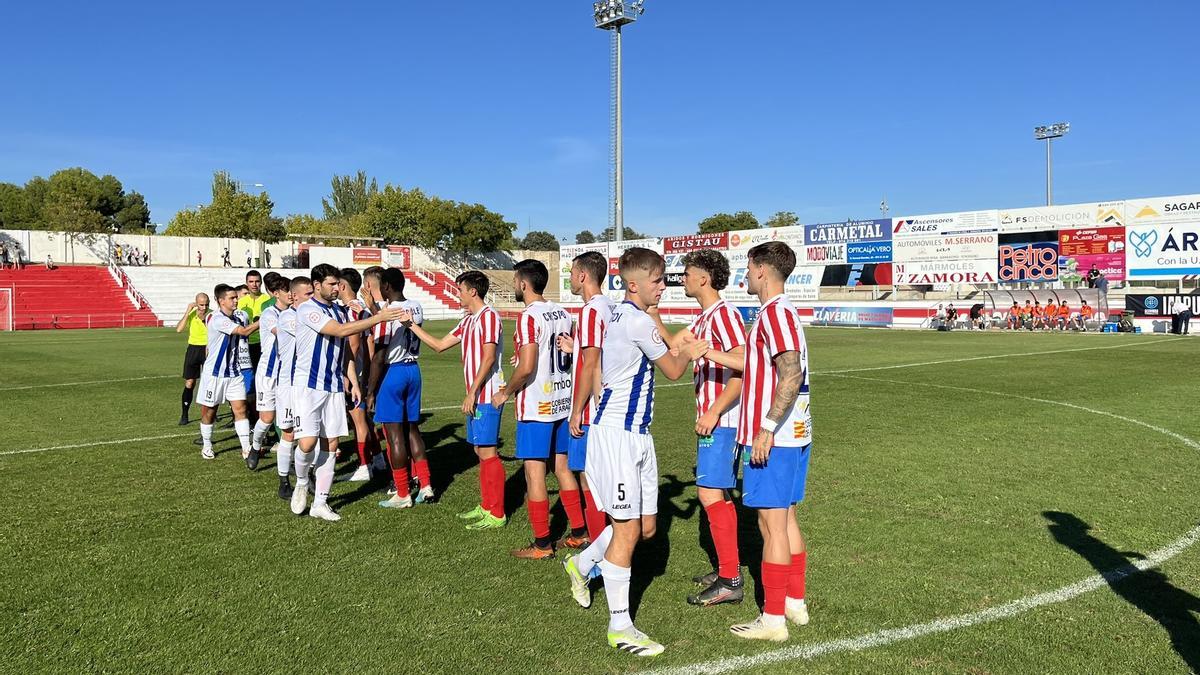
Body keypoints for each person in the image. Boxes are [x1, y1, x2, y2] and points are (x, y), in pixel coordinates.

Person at [560, 247, 698, 657]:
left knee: (648, 529)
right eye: (658, 281)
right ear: (633, 284)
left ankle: (582, 564)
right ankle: (620, 626)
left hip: (638, 435)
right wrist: (689, 347)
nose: (664, 287)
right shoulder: (635, 320)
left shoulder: (624, 315)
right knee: (628, 531)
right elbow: (673, 369)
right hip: (618, 436)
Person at [691, 241, 813, 641]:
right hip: (793, 434)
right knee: (787, 519)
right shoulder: (778, 313)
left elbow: (790, 374)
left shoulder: (775, 313)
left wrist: (766, 427)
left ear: (762, 269)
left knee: (771, 525)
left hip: (776, 438)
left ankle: (773, 619)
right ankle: (795, 603)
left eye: (748, 266)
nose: (744, 274)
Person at [648, 248, 747, 607]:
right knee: (714, 494)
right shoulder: (704, 317)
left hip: (723, 420)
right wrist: (653, 316)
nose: (682, 279)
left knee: (709, 495)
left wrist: (715, 411)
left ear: (703, 278)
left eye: (687, 273)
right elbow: (673, 346)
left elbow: (744, 363)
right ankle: (726, 569)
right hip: (714, 419)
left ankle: (731, 579)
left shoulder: (724, 314)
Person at [288, 265, 402, 522]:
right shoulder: (308, 309)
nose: (336, 288)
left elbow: (346, 351)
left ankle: (320, 502)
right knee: (307, 443)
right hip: (308, 386)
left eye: (338, 284)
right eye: (331, 284)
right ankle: (302, 482)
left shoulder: (339, 311)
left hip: (333, 387)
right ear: (317, 286)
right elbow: (339, 331)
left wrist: (353, 381)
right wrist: (378, 318)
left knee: (332, 443)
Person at [400, 271, 508, 530]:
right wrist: (411, 325)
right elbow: (438, 345)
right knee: (478, 451)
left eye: (459, 290)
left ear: (472, 291)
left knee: (488, 452)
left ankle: (497, 512)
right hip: (475, 396)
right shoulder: (468, 320)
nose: (457, 294)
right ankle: (486, 505)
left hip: (486, 395)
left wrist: (472, 392)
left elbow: (489, 357)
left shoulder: (489, 317)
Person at [490, 260, 578, 559]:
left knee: (535, 474)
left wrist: (505, 391)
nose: (515, 285)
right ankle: (579, 531)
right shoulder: (564, 313)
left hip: (538, 406)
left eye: (515, 281)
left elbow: (528, 367)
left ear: (524, 283)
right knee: (563, 468)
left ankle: (542, 544)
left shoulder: (529, 317)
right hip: (563, 401)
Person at [562, 251, 615, 547]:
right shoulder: (610, 307)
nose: (570, 278)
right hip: (607, 407)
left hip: (591, 412)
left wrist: (576, 411)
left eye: (571, 273)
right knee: (599, 481)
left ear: (583, 276)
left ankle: (598, 551)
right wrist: (576, 347)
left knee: (589, 482)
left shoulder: (592, 311)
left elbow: (592, 364)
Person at [369, 268, 431, 508]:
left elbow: (379, 355)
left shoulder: (387, 313)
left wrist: (371, 390)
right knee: (412, 430)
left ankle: (402, 492)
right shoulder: (416, 306)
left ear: (386, 287)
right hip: (413, 369)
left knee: (394, 436)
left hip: (393, 372)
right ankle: (425, 486)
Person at [196, 284, 260, 460]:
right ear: (220, 301)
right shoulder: (217, 319)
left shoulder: (239, 316)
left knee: (241, 409)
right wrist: (263, 321)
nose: (236, 300)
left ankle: (246, 448)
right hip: (215, 374)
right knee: (209, 411)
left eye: (236, 297)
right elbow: (244, 332)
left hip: (234, 372)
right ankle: (207, 445)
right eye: (232, 298)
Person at [247, 275, 293, 471]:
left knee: (289, 424)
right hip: (268, 373)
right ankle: (255, 447)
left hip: (287, 376)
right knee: (266, 419)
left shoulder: (294, 312)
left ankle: (288, 464)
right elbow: (280, 332)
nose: (291, 294)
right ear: (276, 294)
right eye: (287, 291)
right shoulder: (269, 314)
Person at [338, 267, 378, 481]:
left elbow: (354, 344)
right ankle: (378, 459)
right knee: (365, 420)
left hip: (355, 371)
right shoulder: (360, 309)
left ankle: (364, 466)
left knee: (358, 420)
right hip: (363, 371)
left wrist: (348, 373)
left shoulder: (353, 311)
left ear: (342, 286)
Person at [273, 277, 306, 500]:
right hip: (288, 383)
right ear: (294, 296)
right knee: (289, 432)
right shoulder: (287, 317)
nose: (312, 298)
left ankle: (306, 477)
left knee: (309, 433)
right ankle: (284, 479)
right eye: (308, 294)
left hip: (306, 383)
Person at [176, 294, 211, 425]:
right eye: (201, 304)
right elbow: (179, 329)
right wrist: (187, 312)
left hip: (209, 349)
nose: (204, 307)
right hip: (193, 350)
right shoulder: (192, 315)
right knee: (190, 382)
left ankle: (210, 412)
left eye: (206, 304)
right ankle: (184, 414)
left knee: (210, 382)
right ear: (196, 304)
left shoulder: (212, 315)